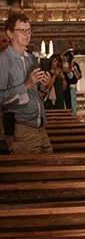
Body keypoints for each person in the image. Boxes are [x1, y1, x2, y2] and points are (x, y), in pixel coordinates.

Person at [0, 12, 52, 154]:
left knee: (51, 171)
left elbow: (36, 96)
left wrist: (42, 86)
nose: (27, 34)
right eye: (22, 31)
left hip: (40, 127)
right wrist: (27, 84)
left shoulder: (31, 59)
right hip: (21, 129)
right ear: (10, 34)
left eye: (29, 30)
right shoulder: (4, 60)